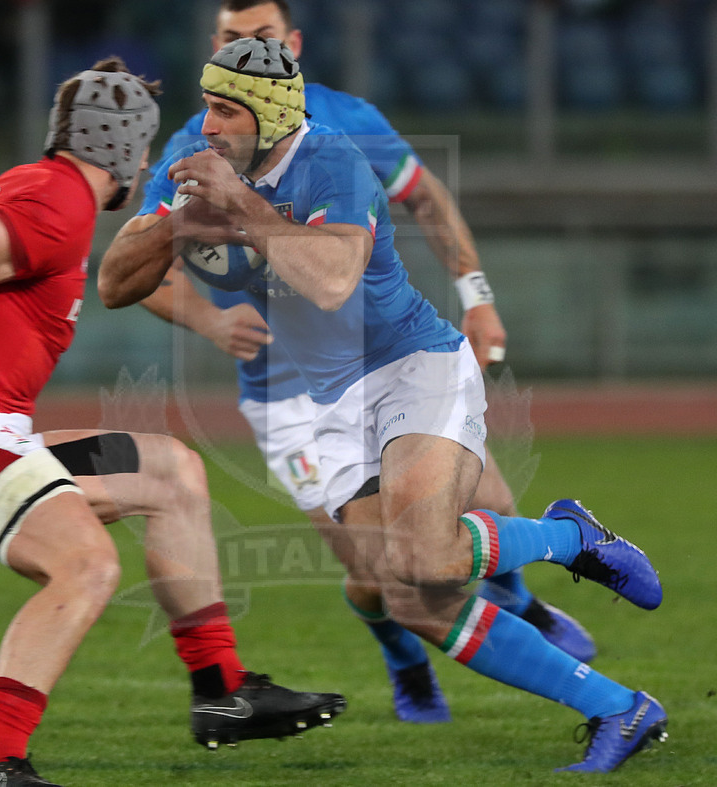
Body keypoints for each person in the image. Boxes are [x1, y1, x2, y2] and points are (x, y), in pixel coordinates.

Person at [98, 37, 669, 773]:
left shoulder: (332, 160)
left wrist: (239, 208)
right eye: (205, 106)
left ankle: (570, 538)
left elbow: (333, 280)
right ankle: (621, 708)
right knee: (411, 596)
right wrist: (176, 223)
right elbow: (114, 285)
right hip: (328, 401)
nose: (205, 127)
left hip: (412, 367)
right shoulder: (202, 172)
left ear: (270, 117)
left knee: (425, 553)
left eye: (223, 110)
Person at [0, 58, 345, 787]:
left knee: (169, 471)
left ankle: (222, 691)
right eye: (143, 148)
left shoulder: (46, 191)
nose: (145, 163)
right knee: (85, 565)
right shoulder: (55, 200)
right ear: (120, 147)